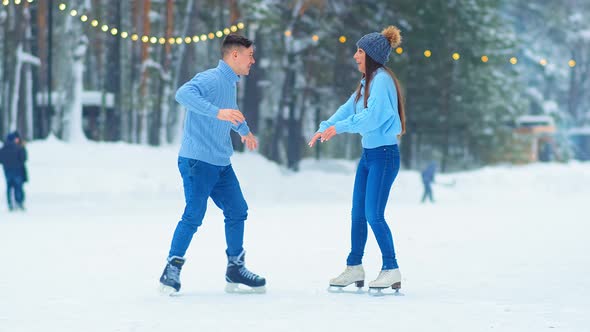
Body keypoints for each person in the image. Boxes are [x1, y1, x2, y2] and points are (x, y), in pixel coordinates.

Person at [159, 34, 266, 294]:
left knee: (238, 209)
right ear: (235, 55)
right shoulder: (211, 78)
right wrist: (217, 113)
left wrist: (244, 130)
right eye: (250, 55)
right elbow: (183, 94)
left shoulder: (230, 83)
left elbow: (231, 110)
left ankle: (235, 268)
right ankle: (171, 268)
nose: (253, 60)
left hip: (220, 162)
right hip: (197, 161)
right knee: (194, 214)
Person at [308, 26, 406, 292]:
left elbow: (373, 117)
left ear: (372, 55)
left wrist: (338, 129)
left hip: (384, 156)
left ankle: (391, 268)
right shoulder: (367, 82)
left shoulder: (382, 80)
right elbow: (347, 108)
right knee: (358, 214)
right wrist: (325, 125)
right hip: (368, 156)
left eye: (359, 51)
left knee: (374, 214)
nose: (355, 56)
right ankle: (354, 267)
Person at [0, 131, 28, 211]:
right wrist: (23, 147)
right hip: (17, 171)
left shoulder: (3, 148)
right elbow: (24, 158)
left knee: (9, 187)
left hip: (7, 171)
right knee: (18, 187)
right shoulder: (18, 147)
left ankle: (10, 204)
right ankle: (19, 202)